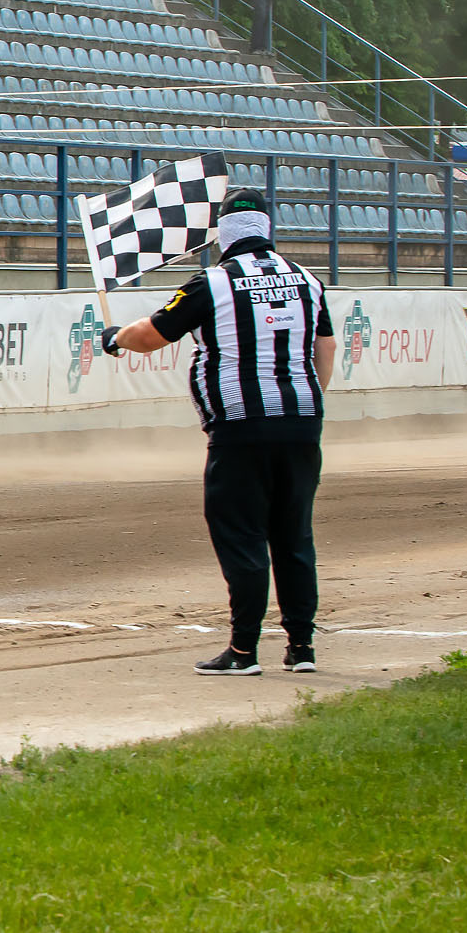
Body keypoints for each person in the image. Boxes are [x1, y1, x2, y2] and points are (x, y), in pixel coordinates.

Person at [99, 191, 335, 675]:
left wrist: (115, 337)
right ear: (267, 229)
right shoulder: (308, 281)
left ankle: (244, 652)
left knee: (242, 535)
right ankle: (302, 648)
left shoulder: (212, 282)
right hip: (302, 425)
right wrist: (304, 405)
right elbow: (325, 347)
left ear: (223, 235)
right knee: (294, 537)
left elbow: (151, 336)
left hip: (240, 429)